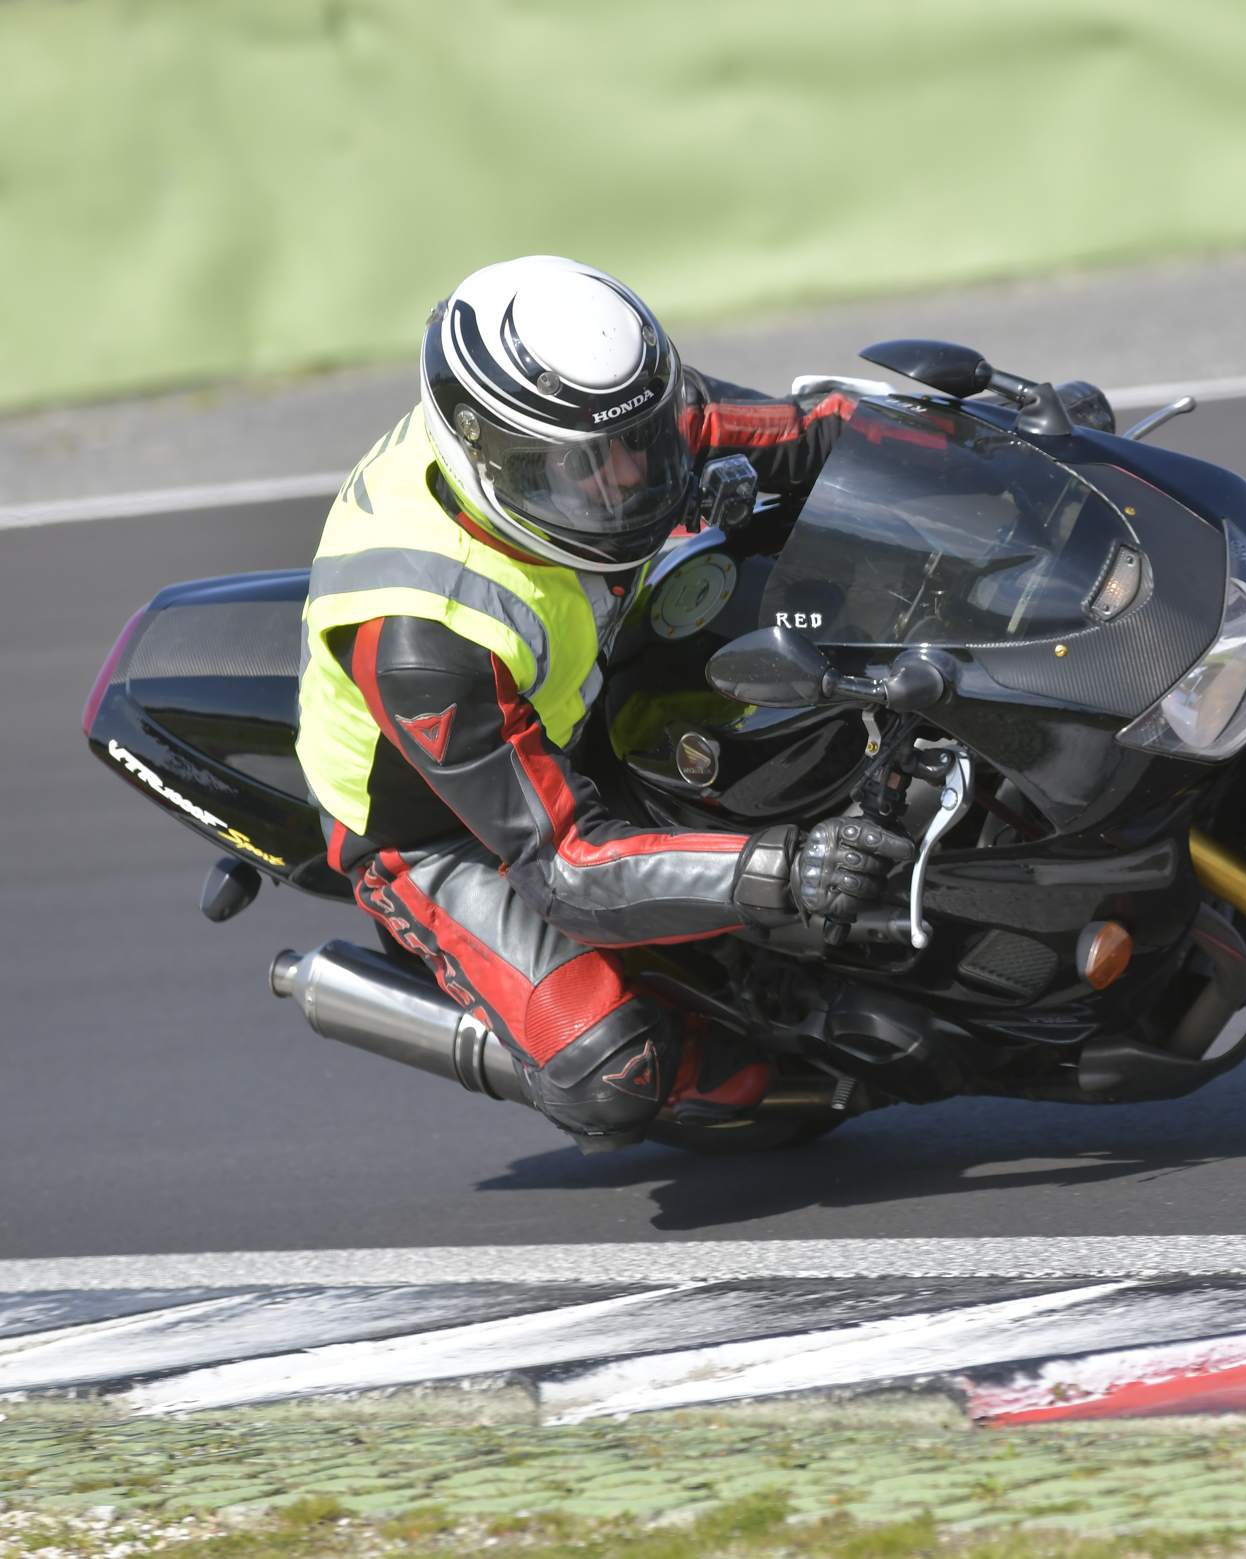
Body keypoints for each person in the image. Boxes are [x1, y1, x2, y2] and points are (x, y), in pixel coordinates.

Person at [294, 255, 912, 1151]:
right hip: (442, 825)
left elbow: (821, 427)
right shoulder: (425, 642)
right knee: (611, 1071)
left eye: (639, 441)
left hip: (577, 692)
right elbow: (567, 864)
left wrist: (1013, 450)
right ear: (493, 460)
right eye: (579, 469)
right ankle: (702, 1054)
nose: (627, 476)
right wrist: (786, 870)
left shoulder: (598, 413)